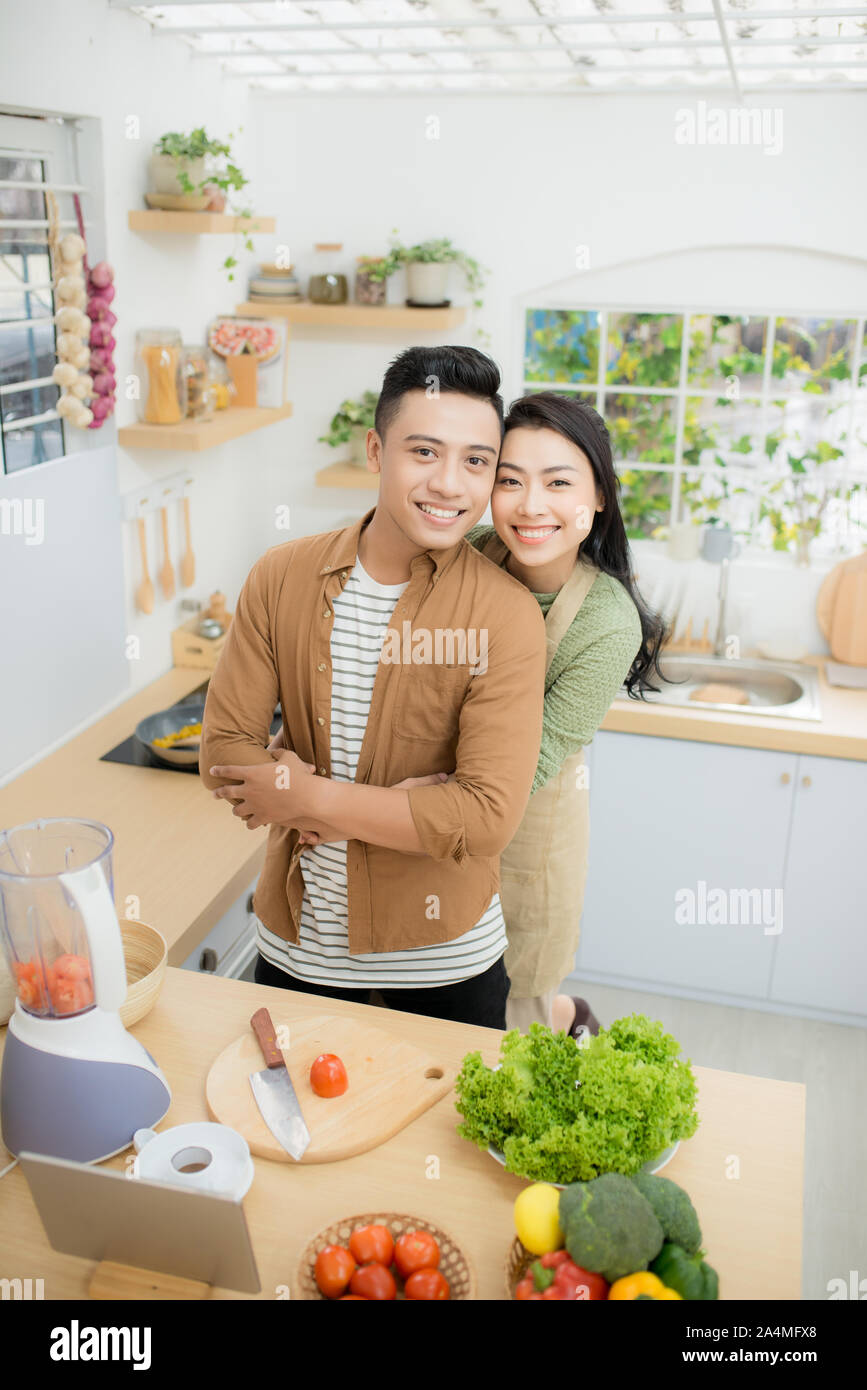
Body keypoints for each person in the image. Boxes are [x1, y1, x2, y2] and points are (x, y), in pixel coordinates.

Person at [199, 345, 547, 1029]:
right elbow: (224, 754)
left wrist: (305, 796)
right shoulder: (279, 577)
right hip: (300, 953)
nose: (450, 484)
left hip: (446, 963)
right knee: (293, 1130)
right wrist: (402, 810)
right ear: (374, 451)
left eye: (476, 461)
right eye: (424, 452)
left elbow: (483, 820)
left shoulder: (504, 615)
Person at [466, 391, 665, 1036]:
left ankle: (562, 1016)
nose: (531, 506)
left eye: (558, 482)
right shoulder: (466, 554)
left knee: (514, 993)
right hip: (435, 806)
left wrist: (414, 814)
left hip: (530, 822)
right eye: (509, 481)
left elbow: (538, 754)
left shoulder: (607, 621)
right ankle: (569, 1017)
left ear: (599, 496)